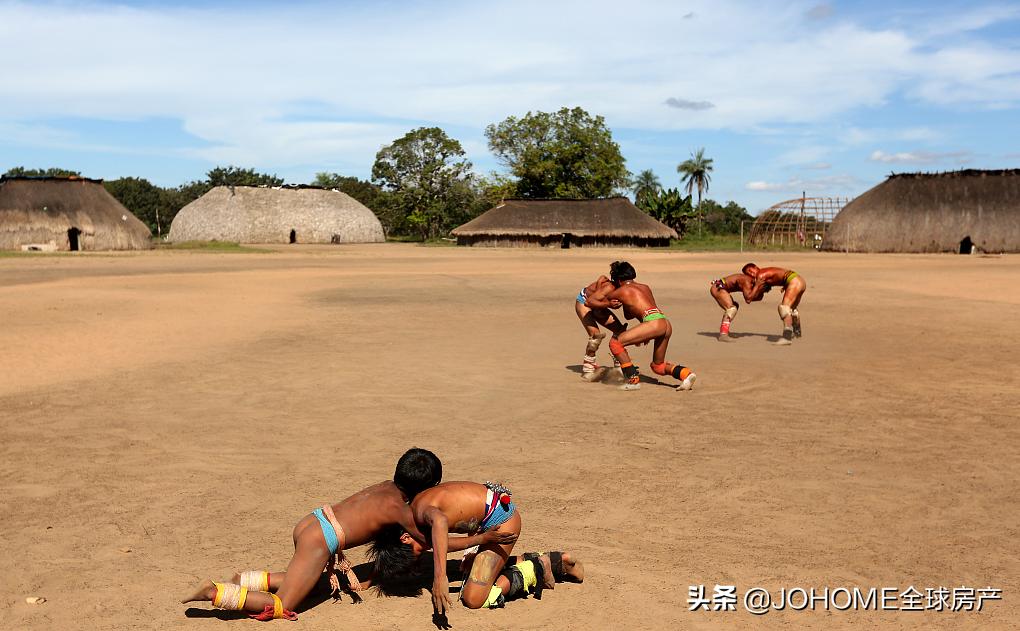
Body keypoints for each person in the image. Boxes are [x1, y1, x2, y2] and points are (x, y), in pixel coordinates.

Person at [180, 448, 473, 620]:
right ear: (429, 487)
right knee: (283, 604)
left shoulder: (386, 487)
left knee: (306, 580)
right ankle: (214, 593)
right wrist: (477, 539)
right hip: (321, 539)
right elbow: (434, 541)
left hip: (313, 520)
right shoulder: (401, 509)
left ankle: (244, 580)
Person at [369, 481, 583, 619]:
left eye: (417, 553)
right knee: (474, 570)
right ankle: (554, 560)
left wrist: (440, 577)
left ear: (405, 538)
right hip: (489, 520)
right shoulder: (413, 516)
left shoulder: (424, 515)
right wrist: (477, 542)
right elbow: (441, 541)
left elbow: (441, 526)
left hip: (501, 523)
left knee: (474, 598)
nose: (425, 552)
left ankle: (539, 567)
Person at [584, 261, 696, 391]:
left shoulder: (621, 290)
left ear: (618, 280)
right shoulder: (645, 287)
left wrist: (606, 299)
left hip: (653, 324)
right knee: (658, 366)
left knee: (615, 343)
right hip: (664, 323)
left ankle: (633, 380)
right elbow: (630, 314)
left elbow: (590, 301)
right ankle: (686, 374)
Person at [575, 274, 627, 379]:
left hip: (598, 305)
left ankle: (620, 364)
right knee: (596, 336)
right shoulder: (609, 287)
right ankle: (588, 368)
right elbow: (589, 302)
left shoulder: (625, 288)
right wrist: (609, 304)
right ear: (620, 281)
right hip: (584, 302)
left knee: (620, 331)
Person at [740, 263, 807, 345]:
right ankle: (797, 334)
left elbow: (750, 298)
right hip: (799, 281)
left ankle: (787, 337)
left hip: (794, 281)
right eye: (748, 274)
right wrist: (786, 285)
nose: (751, 274)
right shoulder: (765, 272)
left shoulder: (760, 275)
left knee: (784, 308)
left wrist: (755, 286)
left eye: (751, 270)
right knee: (792, 309)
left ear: (756, 267)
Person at [709, 273, 756, 341]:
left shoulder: (748, 280)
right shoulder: (746, 280)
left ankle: (724, 330)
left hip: (718, 287)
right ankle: (723, 335)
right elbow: (748, 299)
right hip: (718, 288)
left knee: (735, 306)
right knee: (731, 309)